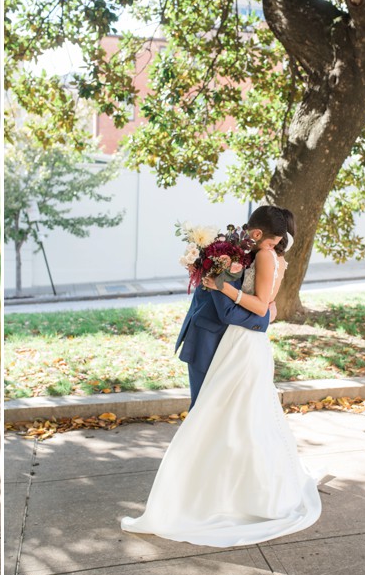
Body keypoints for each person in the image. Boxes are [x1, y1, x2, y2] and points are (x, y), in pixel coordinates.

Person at [121, 206, 322, 547]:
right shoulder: (234, 253)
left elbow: (257, 305)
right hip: (215, 342)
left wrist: (252, 307)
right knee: (212, 420)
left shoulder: (258, 256)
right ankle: (210, 494)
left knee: (221, 422)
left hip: (234, 344)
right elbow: (258, 307)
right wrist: (261, 313)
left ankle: (216, 498)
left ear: (258, 234)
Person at [174, 206, 284, 408]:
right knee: (202, 412)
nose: (271, 250)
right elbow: (227, 312)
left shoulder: (249, 253)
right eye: (270, 244)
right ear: (257, 234)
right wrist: (265, 316)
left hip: (227, 344)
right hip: (206, 341)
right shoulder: (225, 255)